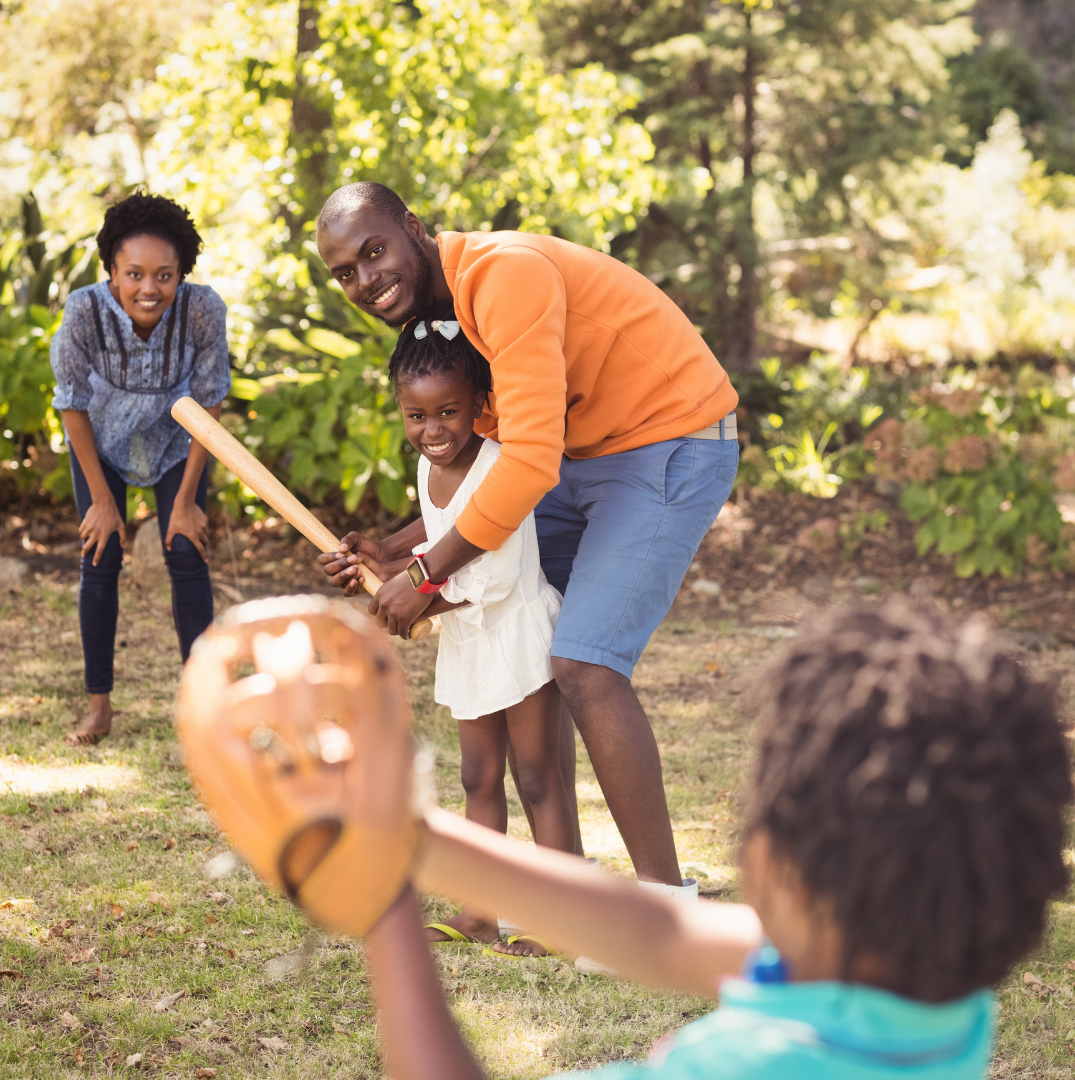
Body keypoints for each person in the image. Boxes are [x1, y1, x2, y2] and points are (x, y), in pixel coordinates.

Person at [360, 600, 1073, 1080]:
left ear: (779, 864)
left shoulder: (740, 1065)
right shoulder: (942, 996)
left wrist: (383, 898)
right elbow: (666, 934)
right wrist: (418, 838)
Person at [316, 181, 740, 900]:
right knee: (530, 632)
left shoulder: (501, 276)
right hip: (578, 459)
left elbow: (529, 462)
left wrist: (423, 577)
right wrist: (390, 551)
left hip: (671, 438)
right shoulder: (445, 318)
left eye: (374, 251)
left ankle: (665, 906)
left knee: (583, 663)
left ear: (414, 228)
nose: (364, 280)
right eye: (344, 272)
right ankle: (562, 894)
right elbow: (499, 468)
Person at [350, 298, 575, 956]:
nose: (433, 430)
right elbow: (437, 532)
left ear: (479, 403)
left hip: (516, 634)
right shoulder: (429, 465)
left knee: (537, 777)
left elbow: (491, 577)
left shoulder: (498, 466)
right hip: (471, 642)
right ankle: (480, 913)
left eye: (448, 412)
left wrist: (414, 596)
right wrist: (382, 555)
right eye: (416, 416)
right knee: (479, 777)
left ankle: (560, 918)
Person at [50, 192, 230, 745]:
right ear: (111, 270)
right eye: (134, 274)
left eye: (164, 275)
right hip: (102, 443)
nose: (149, 288)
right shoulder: (83, 312)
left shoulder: (202, 309)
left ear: (182, 274)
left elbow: (210, 400)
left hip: (179, 442)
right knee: (99, 557)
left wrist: (185, 503)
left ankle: (203, 710)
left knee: (186, 550)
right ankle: (99, 709)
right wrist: (103, 502)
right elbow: (71, 403)